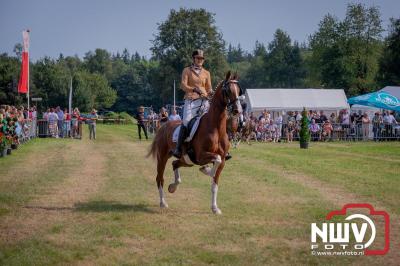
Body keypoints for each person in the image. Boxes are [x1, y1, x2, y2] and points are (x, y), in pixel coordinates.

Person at [173, 49, 212, 158]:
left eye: (201, 59)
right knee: (186, 121)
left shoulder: (206, 73)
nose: (200, 60)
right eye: (198, 58)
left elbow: (209, 88)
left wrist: (211, 93)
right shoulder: (187, 70)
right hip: (191, 100)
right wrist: (194, 89)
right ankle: (178, 148)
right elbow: (183, 85)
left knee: (212, 120)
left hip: (204, 101)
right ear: (193, 59)